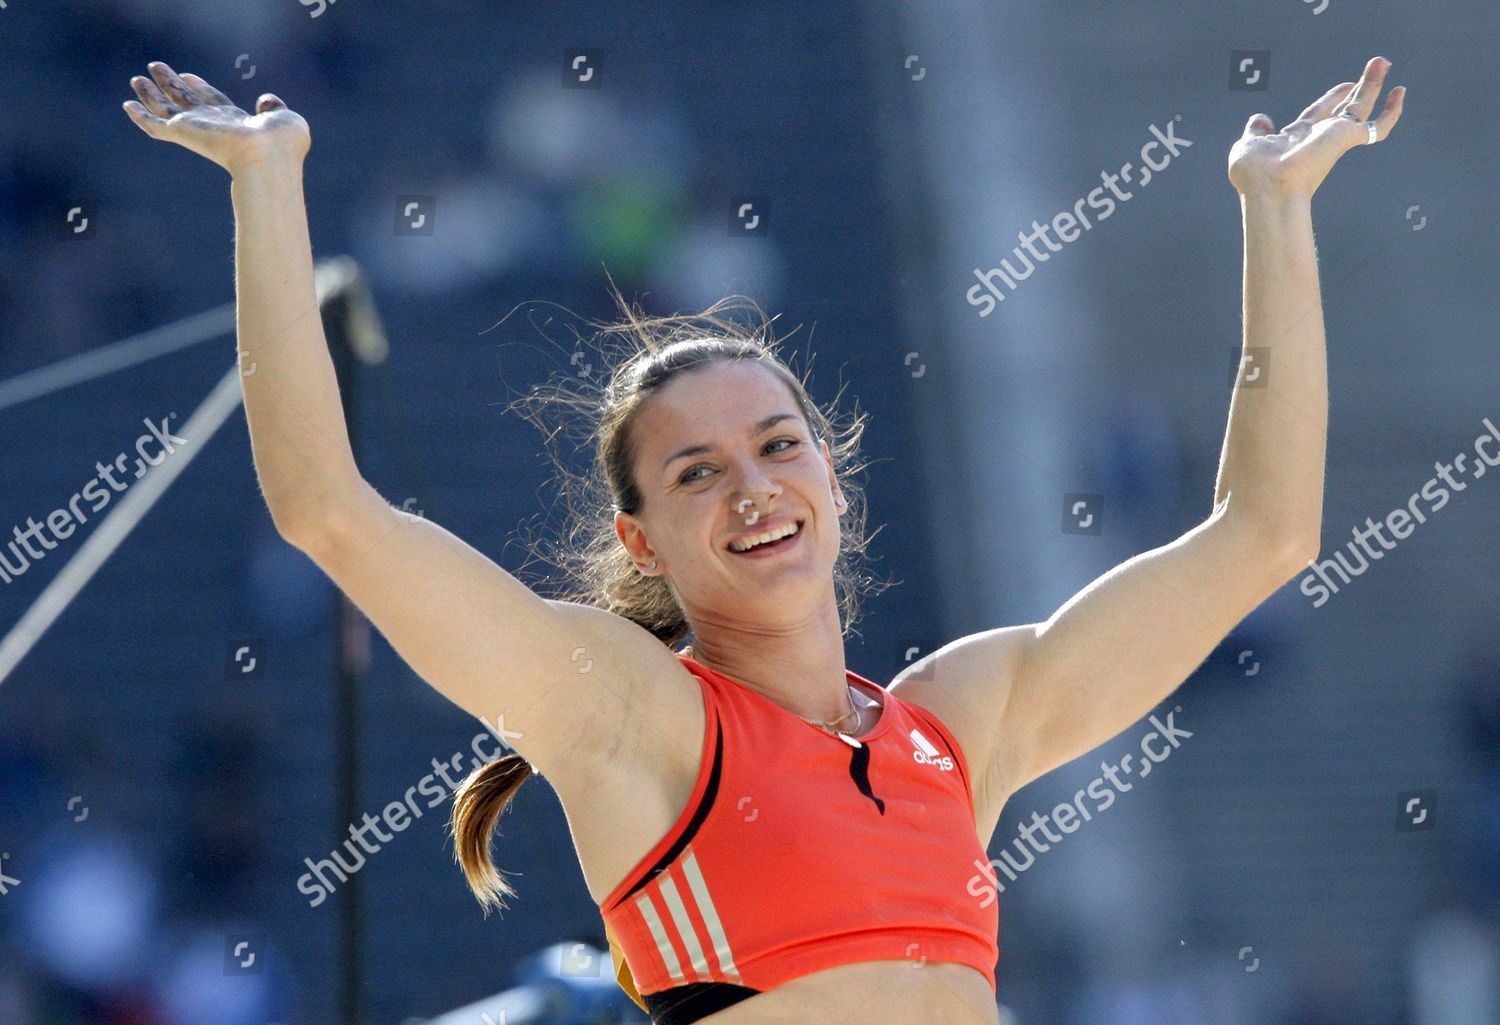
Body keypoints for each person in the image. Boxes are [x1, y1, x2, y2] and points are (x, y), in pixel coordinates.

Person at [121, 55, 1405, 1025]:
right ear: (642, 536)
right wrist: (269, 181)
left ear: (834, 478)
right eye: (699, 470)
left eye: (780, 445)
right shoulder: (633, 715)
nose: (754, 487)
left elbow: (1266, 531)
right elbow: (329, 511)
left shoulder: (959, 722)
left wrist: (1275, 205)